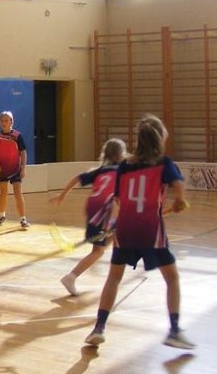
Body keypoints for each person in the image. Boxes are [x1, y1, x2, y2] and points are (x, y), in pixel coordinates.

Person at [83, 115, 194, 350]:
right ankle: (174, 330)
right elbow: (179, 187)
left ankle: (99, 328)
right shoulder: (164, 163)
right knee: (172, 278)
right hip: (151, 231)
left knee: (114, 277)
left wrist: (112, 224)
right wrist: (180, 201)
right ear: (160, 137)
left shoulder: (125, 165)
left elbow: (118, 200)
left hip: (125, 229)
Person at [49, 138, 128, 296]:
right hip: (105, 209)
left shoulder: (100, 170)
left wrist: (62, 195)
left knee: (111, 240)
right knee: (98, 250)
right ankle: (71, 277)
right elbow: (119, 197)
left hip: (92, 208)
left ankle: (116, 269)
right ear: (121, 155)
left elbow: (77, 178)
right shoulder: (123, 171)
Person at [0, 110, 30, 228]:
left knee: (17, 192)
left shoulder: (17, 136)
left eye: (6, 120)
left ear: (11, 122)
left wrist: (23, 168)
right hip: (3, 168)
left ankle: (23, 219)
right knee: (3, 192)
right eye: (2, 121)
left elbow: (23, 153)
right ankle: (1, 215)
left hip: (15, 168)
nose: (4, 123)